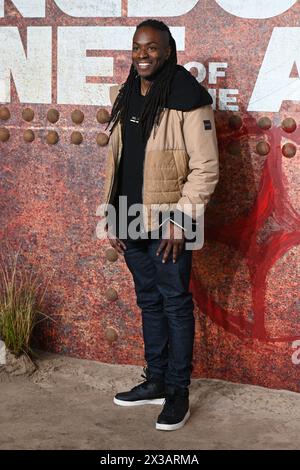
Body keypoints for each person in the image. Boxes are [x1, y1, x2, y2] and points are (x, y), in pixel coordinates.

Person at [102, 19, 219, 431]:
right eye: (137, 47)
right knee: (148, 301)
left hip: (168, 223)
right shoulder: (129, 93)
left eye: (152, 48)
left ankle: (177, 392)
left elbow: (206, 169)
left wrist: (179, 222)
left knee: (174, 302)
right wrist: (110, 214)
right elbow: (119, 162)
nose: (143, 55)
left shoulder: (188, 97)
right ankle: (154, 380)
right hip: (130, 216)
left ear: (168, 51)